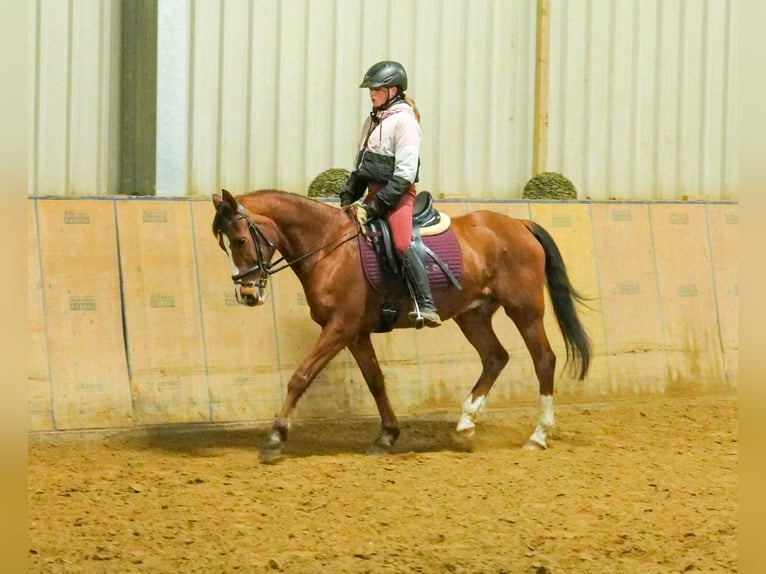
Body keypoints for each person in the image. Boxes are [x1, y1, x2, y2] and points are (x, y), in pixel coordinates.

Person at [339, 60, 441, 327]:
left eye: (377, 89)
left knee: (400, 243)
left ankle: (426, 303)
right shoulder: (372, 121)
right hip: (372, 194)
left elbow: (405, 174)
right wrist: (348, 197)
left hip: (397, 196)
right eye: (370, 89)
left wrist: (374, 208)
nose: (372, 93)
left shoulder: (405, 122)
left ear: (393, 90)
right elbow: (361, 167)